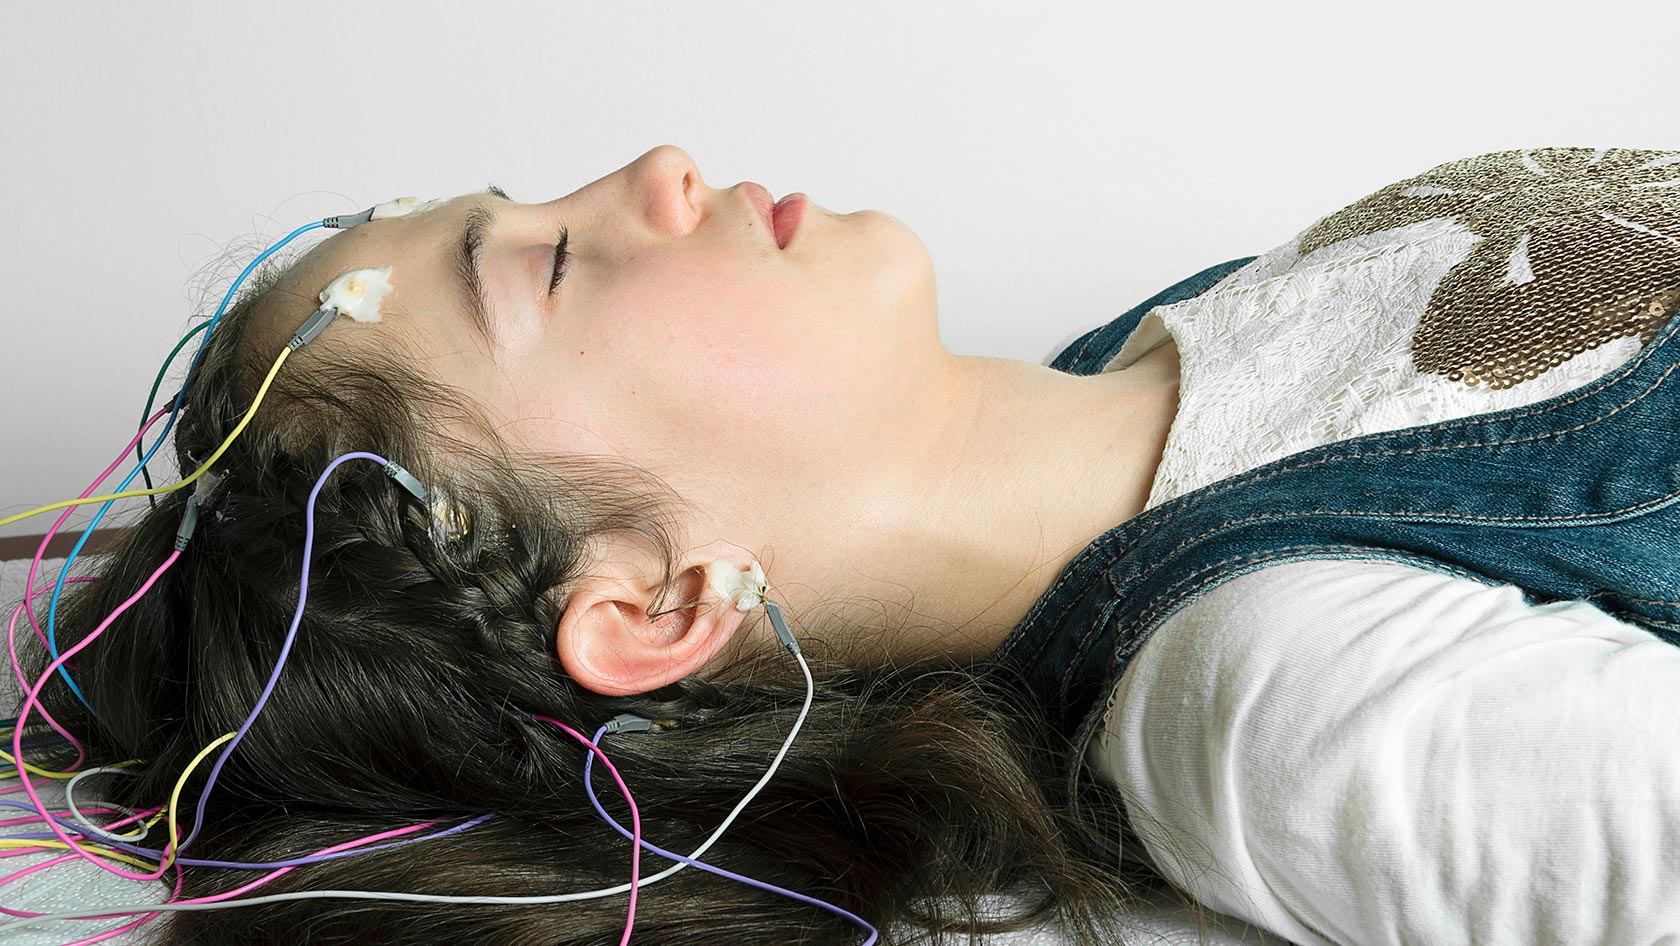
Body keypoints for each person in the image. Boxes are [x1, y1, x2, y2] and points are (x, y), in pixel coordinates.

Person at [27, 143, 1680, 945]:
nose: (653, 172)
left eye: (537, 199)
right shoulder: (1281, 698)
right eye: (549, 267)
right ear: (661, 595)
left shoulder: (1163, 358)